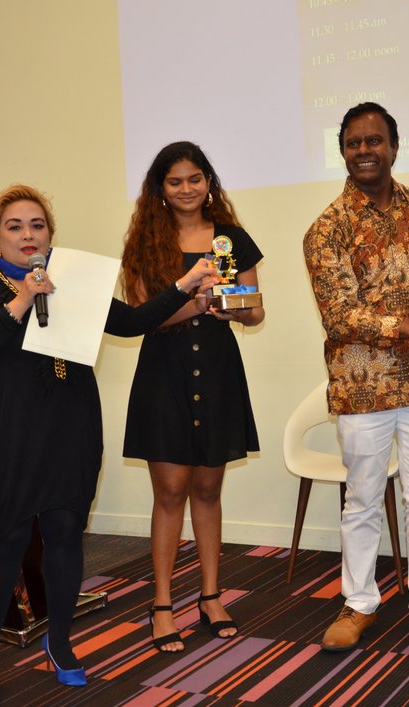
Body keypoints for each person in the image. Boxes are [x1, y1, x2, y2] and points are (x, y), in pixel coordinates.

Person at [0, 183, 217, 704]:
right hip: (8, 433)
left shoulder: (71, 277)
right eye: (15, 226)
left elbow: (134, 321)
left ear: (51, 233)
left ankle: (60, 642)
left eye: (38, 225)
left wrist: (185, 284)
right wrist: (23, 298)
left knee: (67, 533)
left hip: (71, 423)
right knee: (7, 541)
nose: (29, 235)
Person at [303, 102, 409, 668]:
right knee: (363, 499)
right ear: (342, 151)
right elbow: (339, 315)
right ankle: (358, 602)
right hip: (361, 385)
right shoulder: (325, 229)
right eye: (354, 143)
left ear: (395, 147)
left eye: (375, 141)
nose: (365, 151)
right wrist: (405, 321)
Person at [120, 142, 264, 653]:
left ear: (209, 182)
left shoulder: (233, 238)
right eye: (175, 180)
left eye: (195, 179)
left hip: (219, 371)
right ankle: (161, 604)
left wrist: (232, 308)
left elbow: (256, 309)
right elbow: (142, 318)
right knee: (169, 493)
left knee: (207, 490)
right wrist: (195, 302)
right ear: (160, 187)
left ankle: (209, 596)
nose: (187, 189)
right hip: (165, 373)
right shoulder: (143, 243)